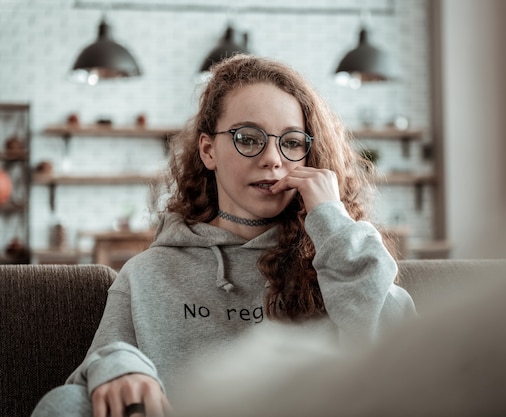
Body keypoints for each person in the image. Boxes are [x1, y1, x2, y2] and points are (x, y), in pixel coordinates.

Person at [31, 54, 417, 417]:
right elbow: (102, 360)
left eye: (293, 142)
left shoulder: (337, 258)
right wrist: (120, 366)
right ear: (208, 150)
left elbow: (403, 362)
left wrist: (333, 223)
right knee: (66, 403)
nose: (273, 158)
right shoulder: (147, 273)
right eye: (248, 138)